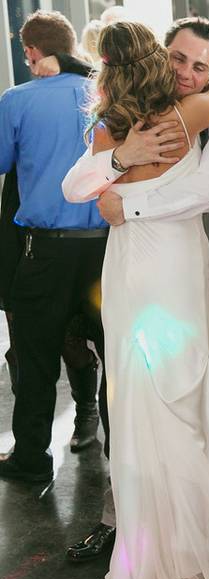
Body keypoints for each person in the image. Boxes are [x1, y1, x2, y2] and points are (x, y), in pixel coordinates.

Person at [72, 20, 209, 579]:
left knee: (200, 403)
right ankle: (147, 538)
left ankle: (204, 541)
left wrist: (123, 201)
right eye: (176, 58)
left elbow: (204, 192)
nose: (186, 72)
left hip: (196, 272)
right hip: (138, 273)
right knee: (139, 401)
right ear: (159, 57)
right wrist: (119, 161)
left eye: (200, 67)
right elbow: (76, 182)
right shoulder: (134, 116)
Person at [0, 10, 109, 483]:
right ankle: (122, 456)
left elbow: (4, 162)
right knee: (119, 355)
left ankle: (31, 458)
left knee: (36, 356)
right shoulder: (103, 93)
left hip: (45, 252)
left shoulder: (17, 100)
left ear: (30, 52)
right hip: (107, 250)